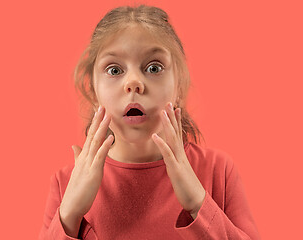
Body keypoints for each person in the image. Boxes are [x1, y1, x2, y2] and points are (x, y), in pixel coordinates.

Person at [38, 4, 261, 240]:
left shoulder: (219, 171)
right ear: (94, 93)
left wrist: (198, 202)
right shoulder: (65, 183)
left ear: (178, 87)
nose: (134, 82)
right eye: (114, 70)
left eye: (154, 68)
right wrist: (70, 214)